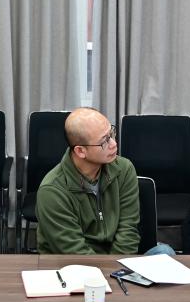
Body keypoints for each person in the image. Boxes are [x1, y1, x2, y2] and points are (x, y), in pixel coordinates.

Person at [36, 107, 140, 254]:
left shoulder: (124, 169)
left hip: (117, 262)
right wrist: (108, 268)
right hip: (73, 265)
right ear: (80, 151)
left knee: (164, 251)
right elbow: (73, 251)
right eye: (104, 141)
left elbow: (128, 231)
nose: (113, 144)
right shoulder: (52, 191)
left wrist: (117, 266)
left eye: (111, 133)